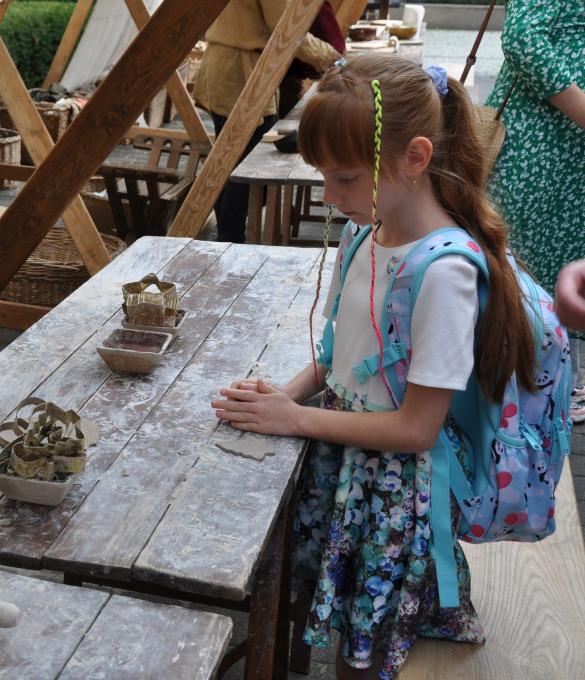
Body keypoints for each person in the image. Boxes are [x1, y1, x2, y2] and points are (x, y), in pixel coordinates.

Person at [211, 53, 539, 679]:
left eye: (345, 179)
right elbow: (340, 354)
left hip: (395, 497)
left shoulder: (444, 274)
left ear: (415, 158)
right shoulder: (368, 231)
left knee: (364, 650)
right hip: (344, 462)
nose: (329, 197)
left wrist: (294, 420)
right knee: (318, 599)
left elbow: (417, 430)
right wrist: (285, 395)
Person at [484, 0, 585, 415]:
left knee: (549, 270)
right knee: (519, 271)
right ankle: (519, 390)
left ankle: (554, 384)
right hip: (541, 150)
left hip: (561, 154)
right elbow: (523, 38)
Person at [192, 0, 340, 243]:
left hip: (226, 65)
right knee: (242, 167)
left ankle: (228, 234)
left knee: (226, 161)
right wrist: (330, 55)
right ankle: (230, 238)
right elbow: (286, 30)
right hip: (244, 73)